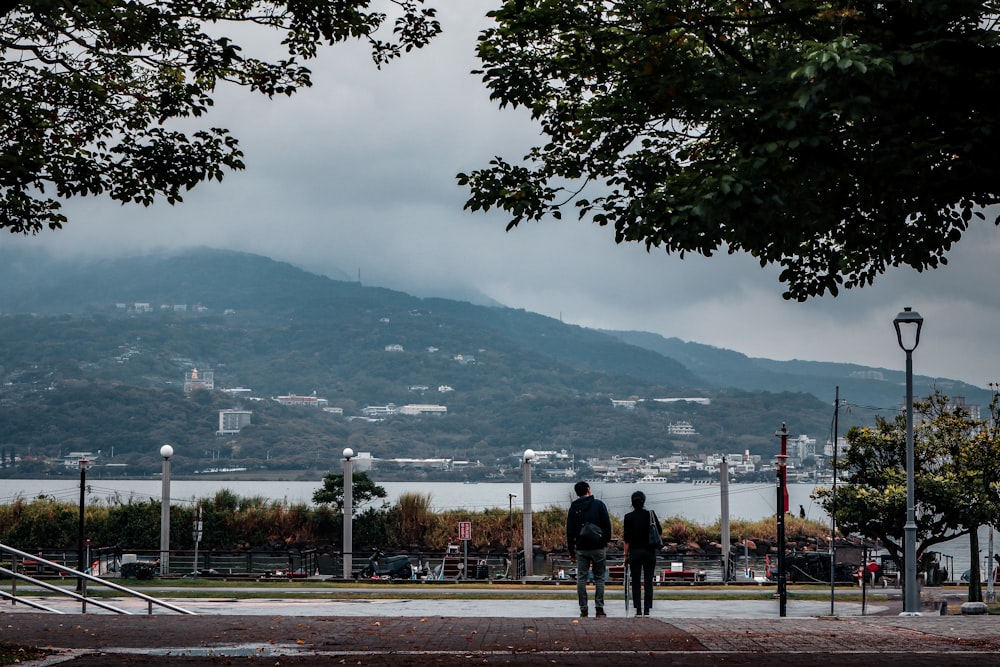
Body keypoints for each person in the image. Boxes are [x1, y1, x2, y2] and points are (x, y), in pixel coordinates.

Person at [566, 480, 613, 618]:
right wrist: (605, 541)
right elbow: (607, 525)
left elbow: (569, 531)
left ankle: (583, 609)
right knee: (599, 578)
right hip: (598, 546)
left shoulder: (574, 507)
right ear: (588, 490)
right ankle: (599, 608)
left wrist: (571, 551)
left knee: (581, 578)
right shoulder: (599, 505)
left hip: (581, 547)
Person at [622, 490, 661, 616]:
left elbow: (626, 539)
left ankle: (638, 609)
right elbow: (659, 531)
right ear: (644, 501)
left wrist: (625, 556)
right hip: (649, 551)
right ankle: (647, 609)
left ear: (632, 503)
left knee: (636, 581)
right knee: (649, 581)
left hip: (635, 552)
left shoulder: (628, 517)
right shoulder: (650, 514)